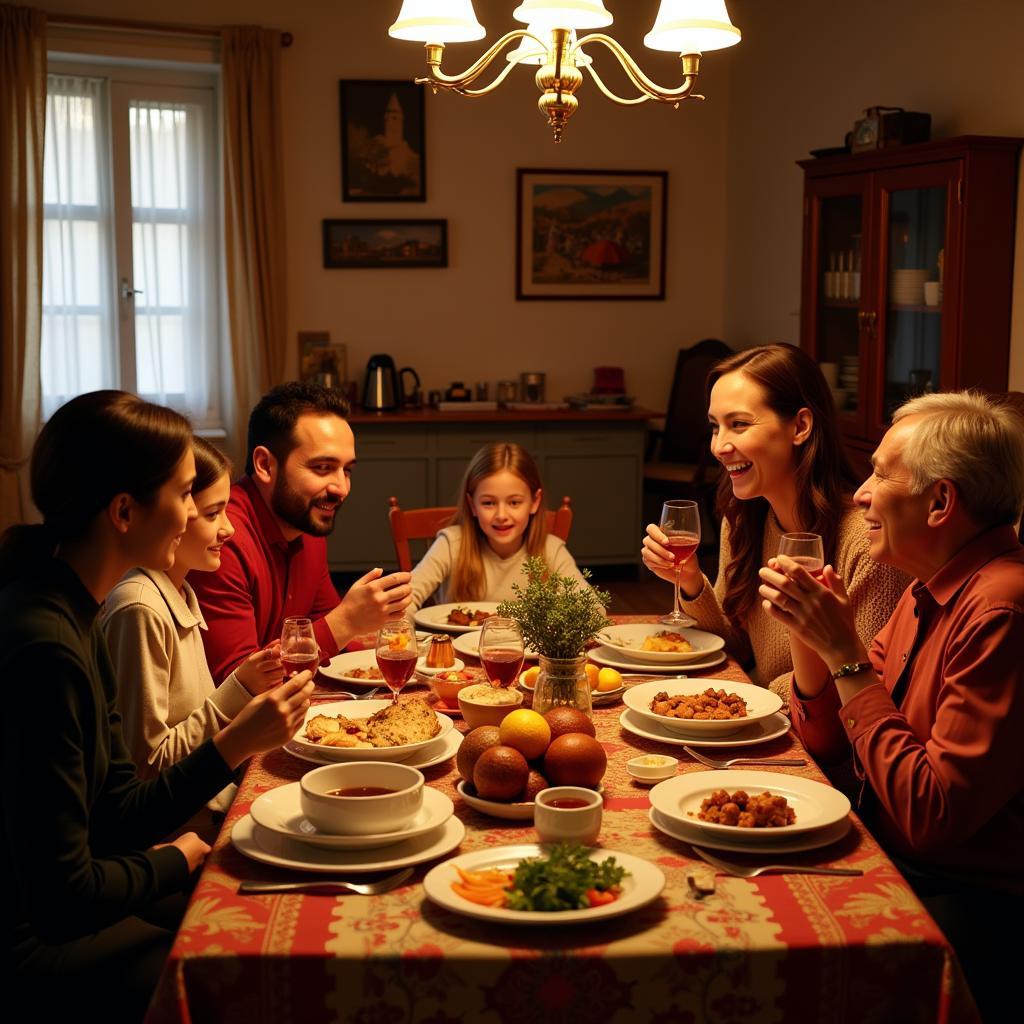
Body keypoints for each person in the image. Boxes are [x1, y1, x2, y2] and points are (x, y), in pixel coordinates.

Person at [0, 391, 314, 1023]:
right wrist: (176, 860)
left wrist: (233, 743)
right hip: (31, 942)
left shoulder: (75, 610)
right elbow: (63, 898)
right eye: (183, 494)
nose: (191, 515)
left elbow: (116, 810)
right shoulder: (46, 646)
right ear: (124, 511)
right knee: (242, 970)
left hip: (76, 903)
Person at [758, 391, 1024, 1022]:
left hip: (966, 903)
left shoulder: (1001, 612)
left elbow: (932, 817)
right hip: (887, 849)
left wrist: (843, 652)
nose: (861, 493)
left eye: (881, 474)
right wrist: (809, 636)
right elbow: (832, 748)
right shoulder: (928, 586)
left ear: (940, 502)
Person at [641, 343, 907, 698]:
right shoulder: (743, 519)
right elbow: (733, 646)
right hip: (769, 716)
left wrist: (762, 694)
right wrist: (690, 581)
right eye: (715, 427)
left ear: (800, 426)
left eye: (738, 424)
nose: (719, 446)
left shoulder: (866, 541)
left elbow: (864, 688)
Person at [102, 438, 282, 820]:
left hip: (209, 804)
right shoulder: (139, 607)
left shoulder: (180, 592)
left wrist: (244, 684)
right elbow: (146, 766)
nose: (230, 529)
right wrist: (240, 710)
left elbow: (189, 720)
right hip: (182, 830)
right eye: (213, 513)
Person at [190, 382, 412, 682]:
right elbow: (236, 685)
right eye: (322, 467)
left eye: (347, 470)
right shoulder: (221, 538)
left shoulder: (304, 526)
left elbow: (331, 632)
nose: (342, 488)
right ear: (265, 464)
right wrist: (347, 621)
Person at [409, 442, 590, 611]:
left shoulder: (551, 549)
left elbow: (591, 606)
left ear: (535, 502)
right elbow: (406, 600)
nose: (501, 515)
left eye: (514, 502)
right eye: (488, 503)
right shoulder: (451, 544)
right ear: (472, 505)